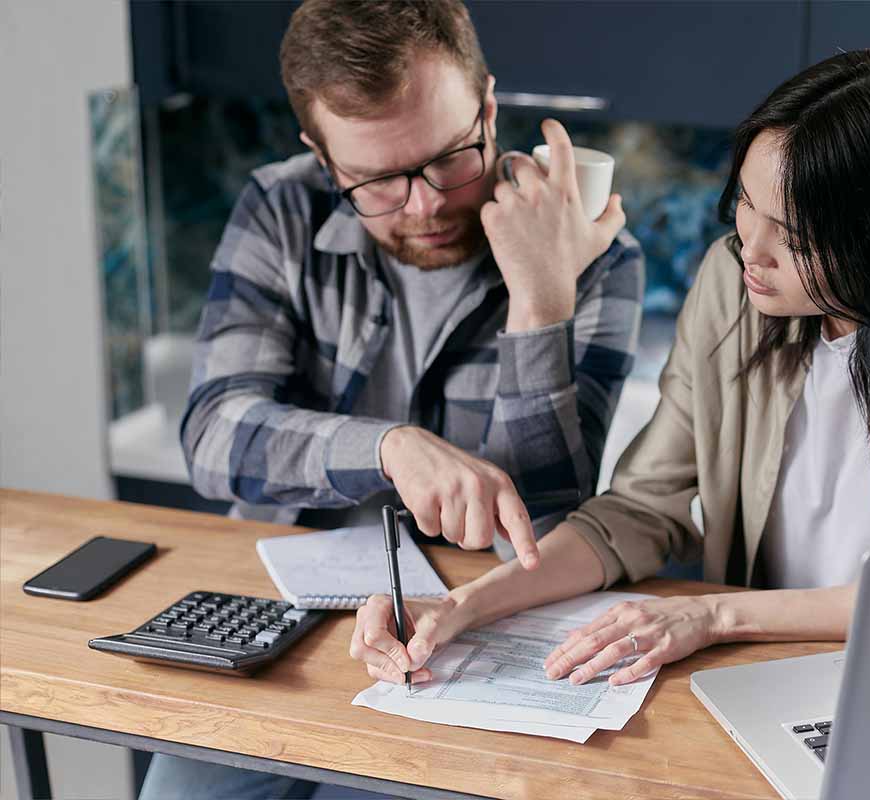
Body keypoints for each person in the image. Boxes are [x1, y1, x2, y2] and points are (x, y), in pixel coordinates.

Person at [349, 45, 870, 692]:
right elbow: (636, 510)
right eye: (747, 208)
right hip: (756, 672)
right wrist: (462, 606)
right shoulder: (733, 282)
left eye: (793, 237)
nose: (749, 249)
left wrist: (713, 614)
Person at [142, 0, 643, 797]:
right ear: (322, 157)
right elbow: (213, 437)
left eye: (450, 157)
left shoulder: (589, 250)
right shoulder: (280, 208)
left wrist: (540, 301)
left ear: (487, 105)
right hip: (279, 620)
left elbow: (547, 526)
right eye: (377, 180)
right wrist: (388, 446)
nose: (427, 204)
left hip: (463, 636)